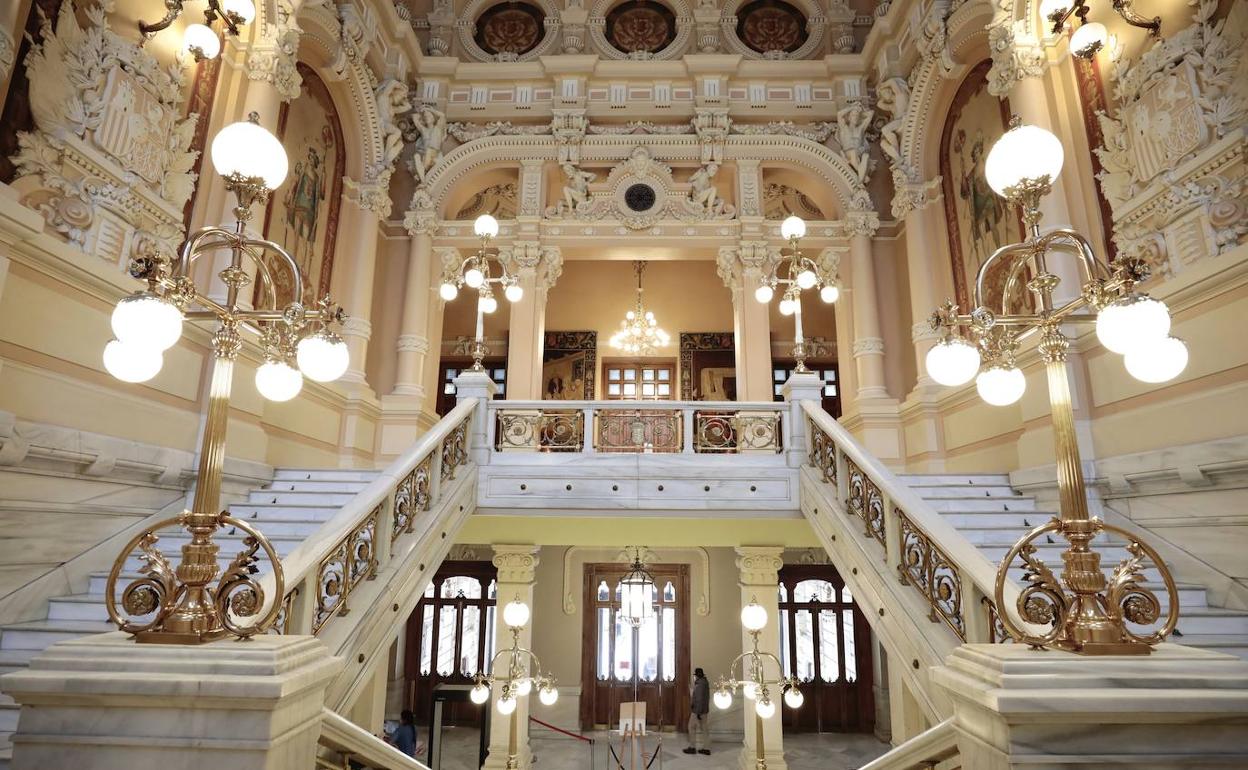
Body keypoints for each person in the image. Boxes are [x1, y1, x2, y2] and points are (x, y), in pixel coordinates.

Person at [684, 667, 711, 755]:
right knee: (704, 729)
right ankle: (706, 748)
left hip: (697, 711)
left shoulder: (700, 684)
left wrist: (698, 712)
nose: (694, 677)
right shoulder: (705, 682)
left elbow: (699, 699)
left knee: (691, 727)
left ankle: (692, 747)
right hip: (704, 710)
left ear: (697, 675)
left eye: (695, 675)